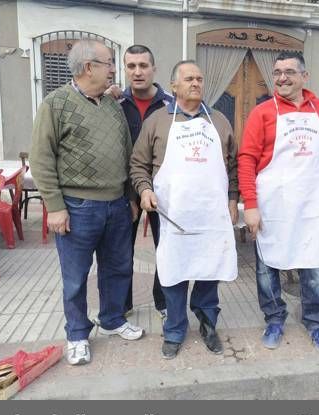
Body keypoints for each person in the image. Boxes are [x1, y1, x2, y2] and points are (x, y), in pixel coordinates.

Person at [30, 39, 144, 366]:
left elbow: (126, 153)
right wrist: (54, 206)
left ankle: (111, 320)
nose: (114, 69)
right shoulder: (56, 103)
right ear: (88, 67)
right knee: (75, 277)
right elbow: (41, 159)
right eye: (109, 62)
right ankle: (77, 333)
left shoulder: (111, 105)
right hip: (77, 207)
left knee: (118, 268)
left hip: (117, 206)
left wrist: (130, 198)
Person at [130, 60, 238, 360]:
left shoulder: (219, 121)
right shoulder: (157, 121)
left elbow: (232, 166)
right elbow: (138, 164)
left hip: (210, 213)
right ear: (174, 86)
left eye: (200, 79)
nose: (196, 83)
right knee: (174, 272)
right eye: (189, 78)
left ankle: (207, 324)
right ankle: (175, 330)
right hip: (172, 214)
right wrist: (145, 189)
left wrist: (232, 200)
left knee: (209, 269)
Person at [238, 51, 319, 354]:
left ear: (304, 77)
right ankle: (274, 319)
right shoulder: (262, 112)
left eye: (289, 72)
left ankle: (315, 322)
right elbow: (247, 159)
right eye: (277, 72)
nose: (282, 77)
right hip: (272, 205)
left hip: (310, 206)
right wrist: (250, 205)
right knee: (267, 267)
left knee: (314, 266)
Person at [113, 45, 173, 320]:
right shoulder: (114, 105)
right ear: (124, 69)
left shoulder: (171, 106)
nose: (137, 72)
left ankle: (163, 301)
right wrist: (130, 196)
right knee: (122, 251)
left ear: (153, 69)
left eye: (143, 65)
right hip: (124, 191)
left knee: (166, 247)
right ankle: (123, 304)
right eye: (131, 66)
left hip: (163, 191)